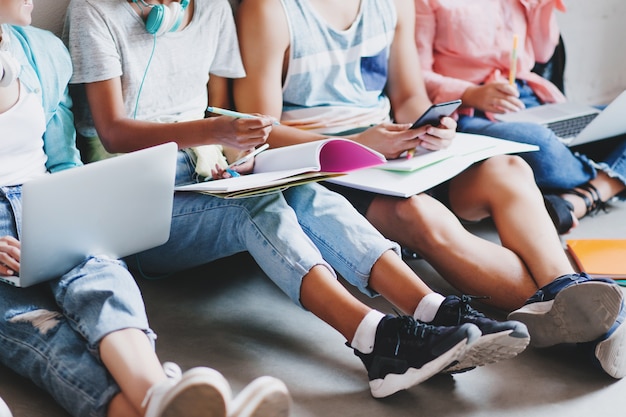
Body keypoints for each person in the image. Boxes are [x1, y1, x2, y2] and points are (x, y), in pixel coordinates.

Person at [63, 0, 532, 399]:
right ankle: (373, 339)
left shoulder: (209, 8)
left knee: (300, 186)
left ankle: (431, 308)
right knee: (254, 208)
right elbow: (113, 131)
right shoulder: (92, 12)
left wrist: (239, 149)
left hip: (205, 173)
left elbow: (221, 112)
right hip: (137, 200)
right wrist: (213, 131)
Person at [233, 0, 626, 379]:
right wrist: (361, 145)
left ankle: (565, 288)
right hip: (330, 168)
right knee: (419, 213)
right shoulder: (268, 9)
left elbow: (407, 97)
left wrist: (432, 127)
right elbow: (258, 133)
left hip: (392, 151)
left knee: (508, 168)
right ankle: (598, 331)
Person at [0, 2, 291, 417]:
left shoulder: (41, 52)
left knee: (102, 279)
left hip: (46, 203)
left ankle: (157, 394)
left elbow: (63, 159)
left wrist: (85, 206)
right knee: (46, 334)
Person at [413, 0, 626, 234]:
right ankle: (608, 177)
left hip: (531, 99)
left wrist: (542, 6)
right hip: (471, 110)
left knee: (579, 131)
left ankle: (580, 199)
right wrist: (469, 93)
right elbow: (414, 75)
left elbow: (543, 53)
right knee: (539, 145)